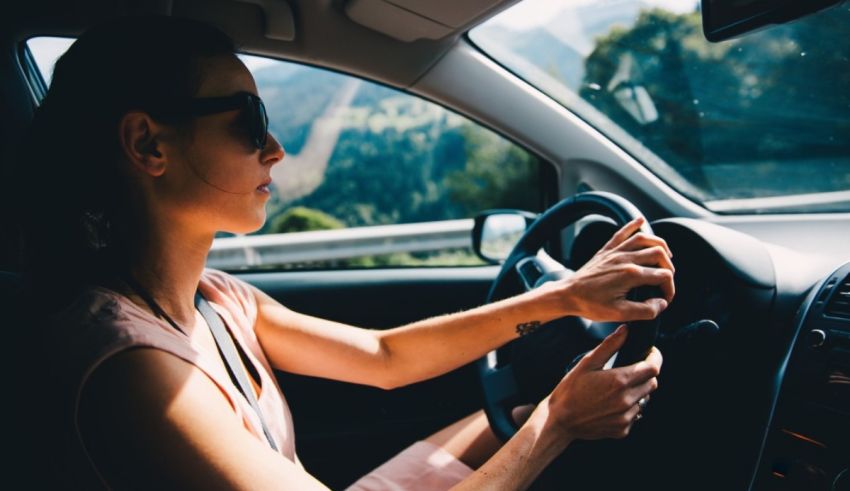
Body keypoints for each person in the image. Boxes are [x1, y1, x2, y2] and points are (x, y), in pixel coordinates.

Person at [14, 15, 674, 490]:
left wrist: (563, 298)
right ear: (148, 145)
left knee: (515, 417)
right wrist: (560, 422)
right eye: (249, 123)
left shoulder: (218, 300)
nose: (275, 150)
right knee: (540, 421)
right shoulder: (132, 372)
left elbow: (385, 358)